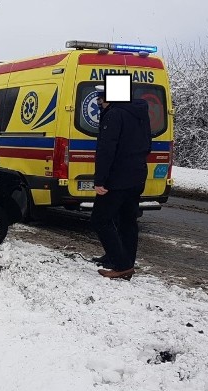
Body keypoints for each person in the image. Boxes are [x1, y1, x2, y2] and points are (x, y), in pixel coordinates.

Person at [90, 85, 152, 280]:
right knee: (127, 220)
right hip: (137, 175)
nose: (100, 105)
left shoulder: (114, 115)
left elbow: (107, 149)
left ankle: (121, 265)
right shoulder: (139, 113)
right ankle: (124, 259)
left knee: (100, 219)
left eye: (100, 101)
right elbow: (147, 144)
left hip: (116, 178)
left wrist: (100, 180)